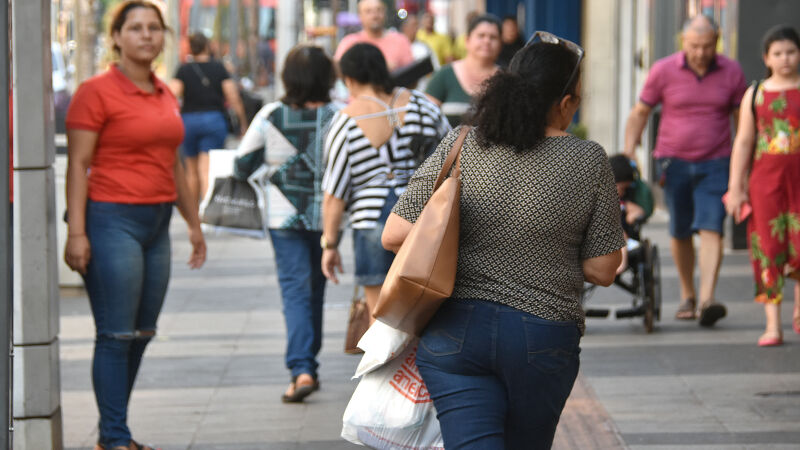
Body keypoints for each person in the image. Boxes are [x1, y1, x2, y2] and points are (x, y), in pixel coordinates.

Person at [382, 34, 624, 449]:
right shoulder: (588, 160)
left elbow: (395, 233)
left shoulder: (463, 143)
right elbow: (602, 270)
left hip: (453, 333)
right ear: (564, 103)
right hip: (542, 335)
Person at [63, 2, 207, 449]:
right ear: (117, 37)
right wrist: (77, 232)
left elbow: (175, 164)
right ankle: (115, 436)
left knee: (141, 333)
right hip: (111, 220)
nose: (146, 35)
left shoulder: (165, 93)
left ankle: (113, 431)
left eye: (154, 28)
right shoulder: (96, 91)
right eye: (136, 28)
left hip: (157, 222)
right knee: (115, 334)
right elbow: (78, 164)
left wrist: (194, 225)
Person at [231, 45, 340, 402]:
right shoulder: (339, 117)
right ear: (327, 78)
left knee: (295, 290)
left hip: (284, 217)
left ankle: (302, 368)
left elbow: (241, 165)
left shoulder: (271, 115)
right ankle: (308, 363)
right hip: (328, 219)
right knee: (316, 291)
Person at [623, 15, 746, 326]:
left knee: (712, 226)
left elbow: (741, 121)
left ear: (717, 41)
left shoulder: (731, 71)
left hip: (717, 161)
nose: (701, 52)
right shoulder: (663, 69)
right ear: (682, 42)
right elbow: (640, 111)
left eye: (707, 46)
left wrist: (744, 165)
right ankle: (687, 294)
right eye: (694, 46)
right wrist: (628, 150)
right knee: (679, 230)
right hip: (673, 162)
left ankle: (707, 298)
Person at [321, 43, 450, 321]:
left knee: (380, 317)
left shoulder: (345, 121)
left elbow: (335, 192)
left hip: (372, 223)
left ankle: (386, 365)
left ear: (350, 79)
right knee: (425, 310)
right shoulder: (423, 106)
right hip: (424, 217)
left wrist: (330, 245)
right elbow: (453, 156)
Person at [725, 25, 800, 346]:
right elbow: (743, 142)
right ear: (766, 58)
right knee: (768, 249)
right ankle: (773, 325)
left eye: (791, 52)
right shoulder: (754, 94)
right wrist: (736, 186)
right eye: (778, 53)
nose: (785, 59)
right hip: (765, 184)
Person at [170, 32, 247, 204]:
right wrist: (242, 123)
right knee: (206, 170)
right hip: (214, 121)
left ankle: (192, 213)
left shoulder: (183, 69)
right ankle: (206, 212)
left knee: (191, 170)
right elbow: (233, 96)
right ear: (207, 46)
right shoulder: (219, 68)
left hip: (188, 122)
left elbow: (171, 95)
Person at [425, 14, 502, 126]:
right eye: (481, 36)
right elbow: (425, 119)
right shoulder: (443, 76)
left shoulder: (506, 79)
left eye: (493, 37)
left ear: (500, 44)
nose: (487, 41)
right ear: (467, 40)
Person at [333, 0, 414, 72]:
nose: (375, 16)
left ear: (385, 13)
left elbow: (412, 74)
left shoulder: (400, 40)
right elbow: (337, 70)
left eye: (379, 10)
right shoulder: (349, 42)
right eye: (368, 11)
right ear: (360, 16)